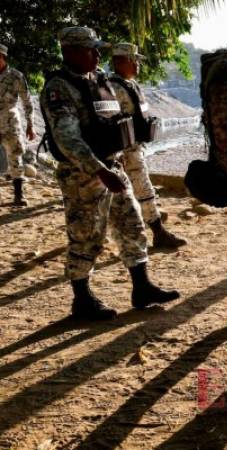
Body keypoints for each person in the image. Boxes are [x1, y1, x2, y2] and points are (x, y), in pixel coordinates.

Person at [40, 27, 179, 321]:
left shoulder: (100, 80)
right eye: (92, 49)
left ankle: (142, 287)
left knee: (131, 222)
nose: (98, 54)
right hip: (83, 174)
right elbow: (67, 139)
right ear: (71, 52)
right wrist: (99, 171)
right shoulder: (59, 88)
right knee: (86, 236)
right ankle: (82, 300)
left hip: (112, 166)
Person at [110, 42, 187, 249]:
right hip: (124, 152)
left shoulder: (130, 85)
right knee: (143, 189)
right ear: (121, 61)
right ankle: (158, 232)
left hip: (135, 148)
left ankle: (151, 227)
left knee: (137, 191)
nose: (138, 65)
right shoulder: (112, 88)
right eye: (134, 61)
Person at [0, 43, 36, 206]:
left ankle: (18, 195)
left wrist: (30, 125)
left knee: (15, 156)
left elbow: (27, 101)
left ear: (3, 57)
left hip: (10, 122)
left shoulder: (16, 76)